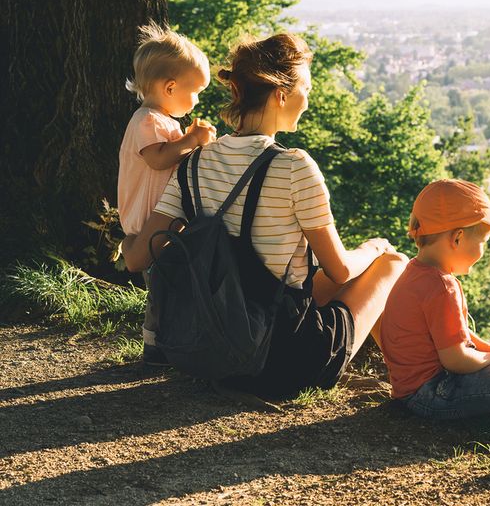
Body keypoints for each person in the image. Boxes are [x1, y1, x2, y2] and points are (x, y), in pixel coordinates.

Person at [124, 32, 407, 397]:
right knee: (392, 263)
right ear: (281, 93)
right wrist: (373, 248)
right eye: (307, 88)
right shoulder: (295, 166)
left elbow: (135, 259)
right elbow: (338, 269)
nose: (308, 99)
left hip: (213, 349)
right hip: (283, 361)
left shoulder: (194, 161)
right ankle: (414, 379)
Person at [379, 179, 490, 420]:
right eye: (483, 242)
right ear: (458, 238)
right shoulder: (442, 286)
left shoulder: (415, 273)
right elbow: (456, 359)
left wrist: (489, 348)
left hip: (411, 392)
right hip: (434, 394)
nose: (484, 251)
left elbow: (451, 335)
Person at [118, 23, 217, 364]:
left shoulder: (165, 123)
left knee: (170, 280)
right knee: (160, 285)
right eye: (196, 91)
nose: (198, 99)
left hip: (162, 221)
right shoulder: (147, 121)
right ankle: (155, 344)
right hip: (150, 221)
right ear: (170, 87)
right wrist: (191, 141)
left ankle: (170, 337)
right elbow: (159, 159)